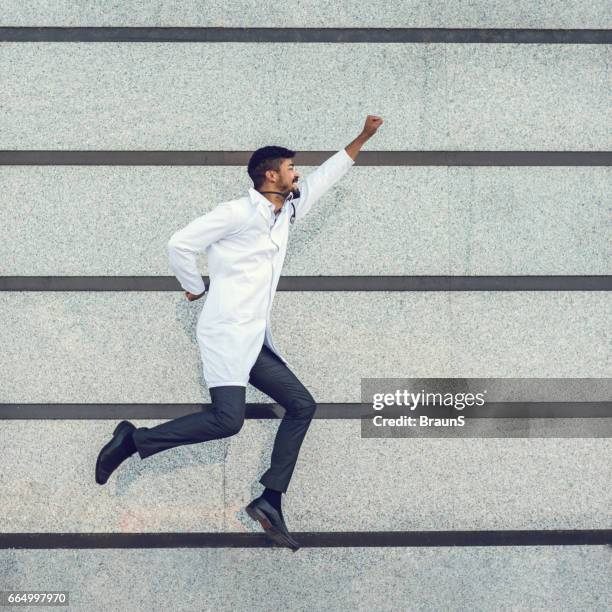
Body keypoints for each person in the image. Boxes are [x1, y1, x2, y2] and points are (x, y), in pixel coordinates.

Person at [95, 115, 384, 550]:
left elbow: (325, 177)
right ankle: (132, 440)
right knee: (227, 421)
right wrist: (194, 287)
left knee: (303, 405)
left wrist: (362, 137)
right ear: (271, 174)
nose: (296, 173)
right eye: (290, 168)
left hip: (255, 338)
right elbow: (180, 244)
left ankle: (270, 498)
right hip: (226, 333)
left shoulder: (285, 210)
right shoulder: (235, 212)